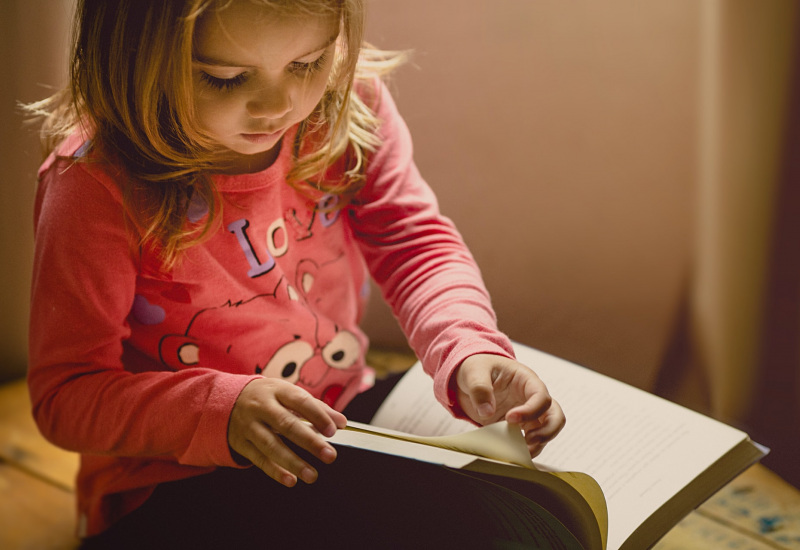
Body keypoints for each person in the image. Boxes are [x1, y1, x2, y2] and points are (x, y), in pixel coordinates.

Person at [26, 0, 566, 547]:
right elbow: (66, 396)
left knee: (522, 517)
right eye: (225, 78)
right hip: (173, 478)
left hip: (342, 418)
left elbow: (413, 241)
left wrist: (470, 346)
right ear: (129, 57)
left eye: (307, 64)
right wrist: (222, 412)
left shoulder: (345, 107)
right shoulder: (94, 186)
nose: (278, 105)